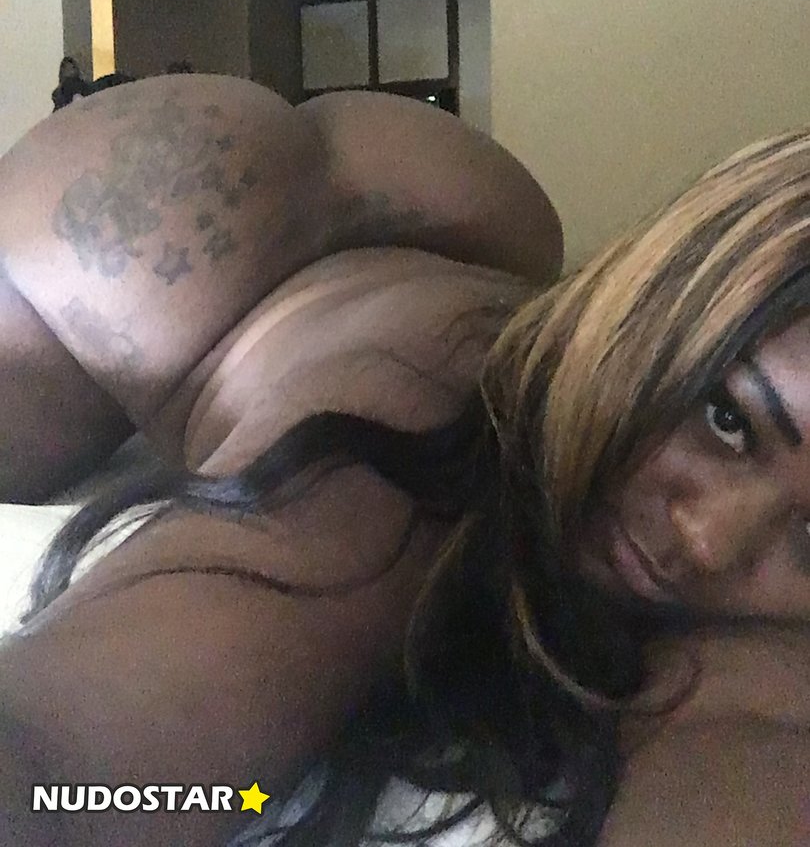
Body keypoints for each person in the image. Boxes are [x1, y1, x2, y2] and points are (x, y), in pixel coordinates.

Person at [0, 75, 807, 847]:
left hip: (451, 204)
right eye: (728, 420)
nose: (709, 541)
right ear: (661, 286)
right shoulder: (413, 443)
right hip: (138, 241)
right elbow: (61, 771)